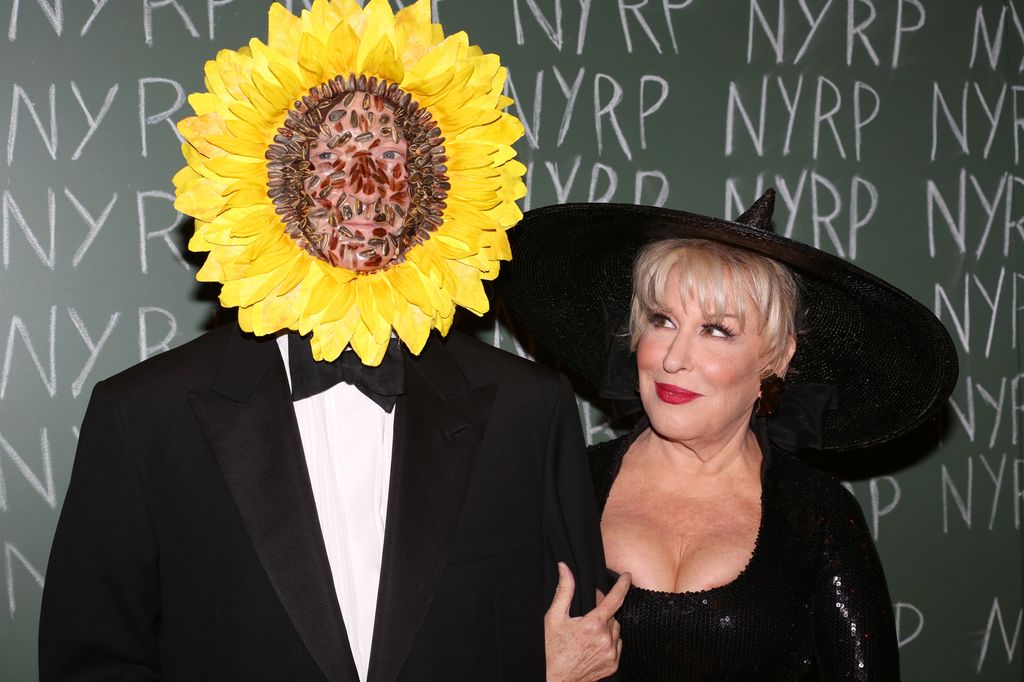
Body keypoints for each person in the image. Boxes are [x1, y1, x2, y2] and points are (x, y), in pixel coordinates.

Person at [38, 1, 624, 680]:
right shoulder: (143, 420)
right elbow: (93, 664)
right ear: (266, 181)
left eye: (388, 158)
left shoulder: (528, 410)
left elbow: (577, 645)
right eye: (331, 158)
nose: (362, 187)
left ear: (441, 186)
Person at [499, 190, 959, 680]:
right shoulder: (563, 488)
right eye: (662, 320)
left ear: (775, 359)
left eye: (716, 330)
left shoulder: (817, 518)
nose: (673, 359)